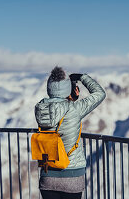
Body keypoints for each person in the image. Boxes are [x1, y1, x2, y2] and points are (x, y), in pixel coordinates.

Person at [34, 66, 106, 199]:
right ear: (68, 90)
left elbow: (56, 109)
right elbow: (100, 93)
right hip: (72, 176)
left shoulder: (40, 108)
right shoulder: (74, 109)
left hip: (47, 174)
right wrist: (82, 77)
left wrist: (68, 98)